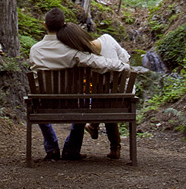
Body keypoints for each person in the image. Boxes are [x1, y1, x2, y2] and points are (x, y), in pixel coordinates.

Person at [29, 8, 129, 161]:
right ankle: (71, 149)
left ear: (44, 25)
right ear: (64, 25)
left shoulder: (34, 50)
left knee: (35, 99)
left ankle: (51, 147)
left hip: (44, 103)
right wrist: (123, 65)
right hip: (72, 103)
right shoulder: (72, 50)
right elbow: (99, 63)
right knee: (84, 100)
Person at [55, 22, 130, 160]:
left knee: (102, 97)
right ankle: (113, 145)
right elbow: (126, 60)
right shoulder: (108, 38)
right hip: (125, 97)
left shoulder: (83, 58)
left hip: (102, 102)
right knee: (106, 98)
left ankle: (94, 126)